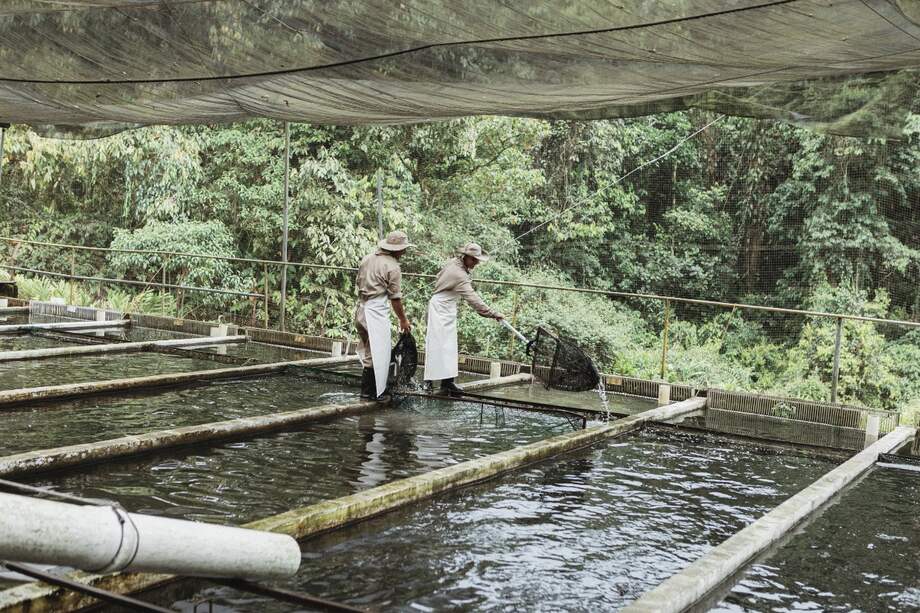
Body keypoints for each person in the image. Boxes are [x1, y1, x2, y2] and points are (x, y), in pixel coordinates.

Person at [424, 242, 503, 396]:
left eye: (477, 260)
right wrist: (492, 313)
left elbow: (439, 276)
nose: (476, 263)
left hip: (448, 307)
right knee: (437, 345)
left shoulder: (455, 263)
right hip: (440, 307)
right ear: (465, 257)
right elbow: (473, 299)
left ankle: (447, 383)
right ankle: (428, 382)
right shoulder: (459, 274)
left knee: (449, 347)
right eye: (473, 260)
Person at [354, 230, 413, 400]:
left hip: (361, 310)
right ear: (396, 250)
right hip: (375, 313)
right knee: (377, 353)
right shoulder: (392, 266)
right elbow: (395, 298)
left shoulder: (367, 258)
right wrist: (403, 319)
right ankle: (369, 394)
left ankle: (372, 391)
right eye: (403, 249)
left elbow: (358, 282)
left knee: (371, 350)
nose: (404, 252)